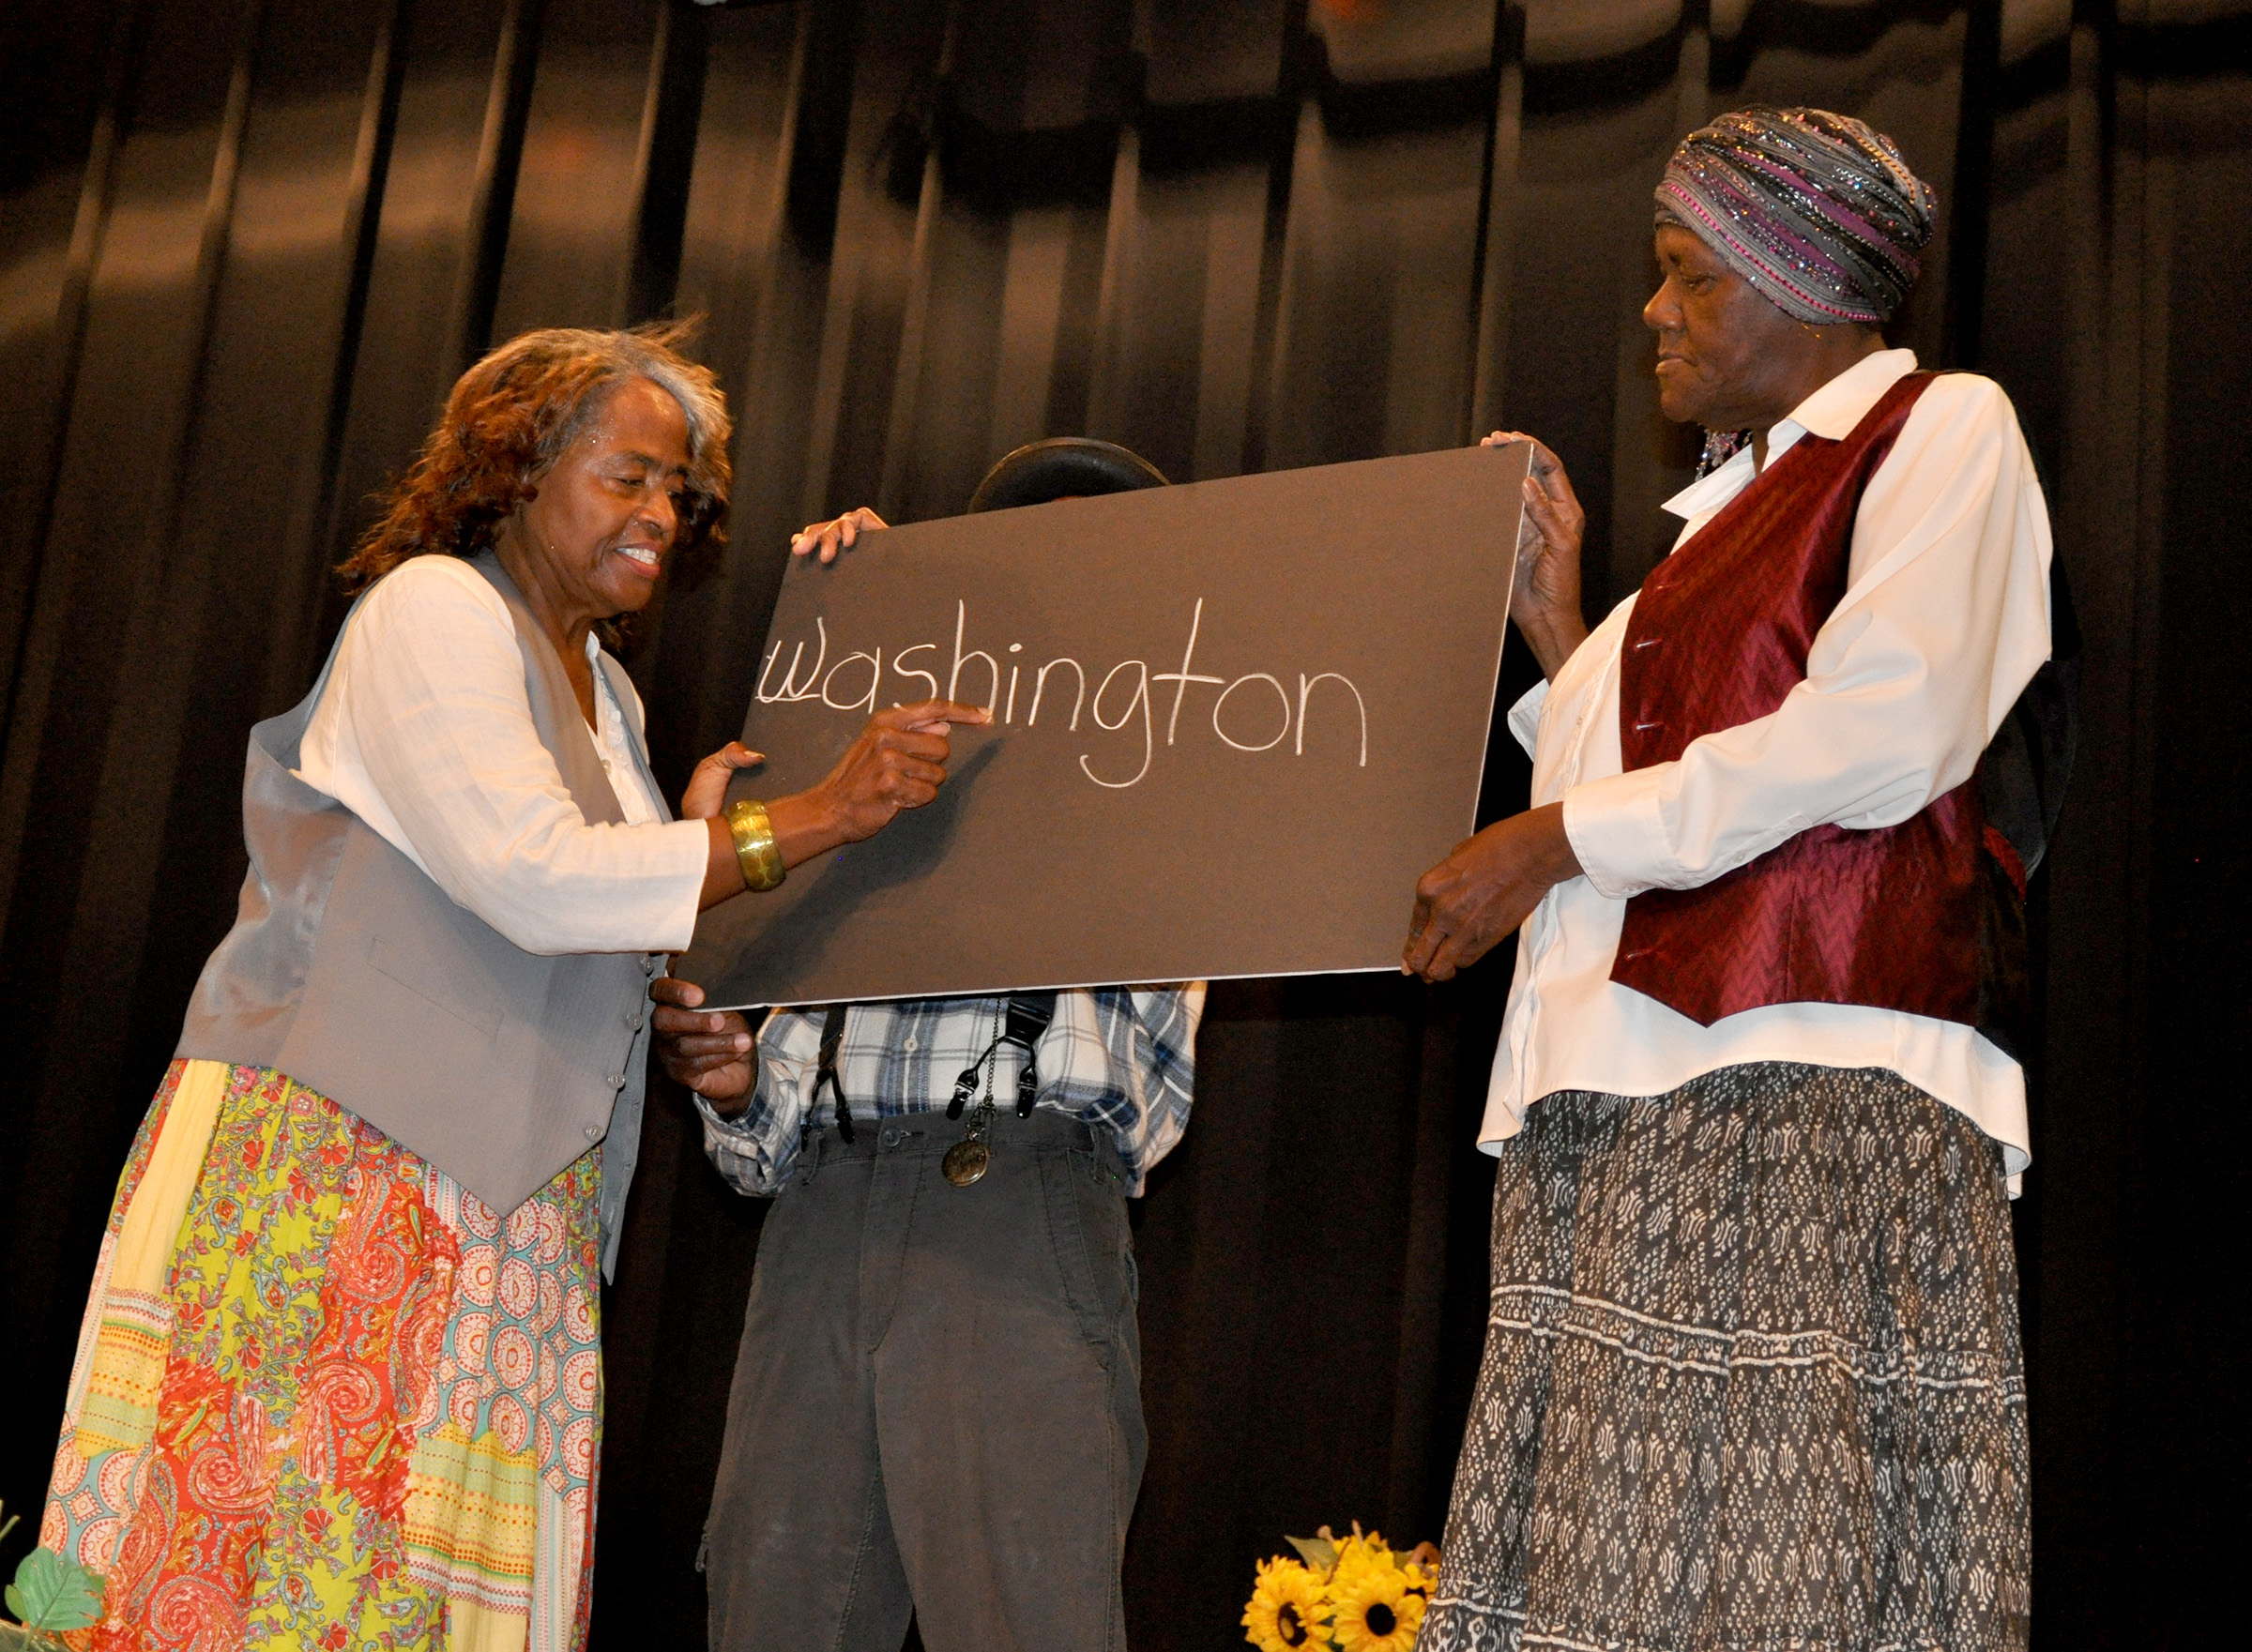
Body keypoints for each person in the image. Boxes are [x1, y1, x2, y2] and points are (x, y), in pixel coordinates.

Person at [34, 322, 985, 1651]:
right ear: (519, 466)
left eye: (682, 493)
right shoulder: (432, 610)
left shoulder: (611, 698)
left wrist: (884, 599)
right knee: (266, 1579)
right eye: (631, 475)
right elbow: (535, 877)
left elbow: (615, 911)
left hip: (511, 1217)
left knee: (428, 1607)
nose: (663, 513)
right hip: (341, 1168)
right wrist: (815, 816)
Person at [1404, 110, 2047, 1650]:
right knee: (1610, 1589)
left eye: (1690, 278)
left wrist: (1545, 838)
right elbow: (1659, 779)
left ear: (1806, 287)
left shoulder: (1939, 430)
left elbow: (1886, 728)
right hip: (1626, 1100)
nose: (1653, 313)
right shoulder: (1709, 534)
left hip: (1793, 1089)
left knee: (1751, 1581)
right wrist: (1566, 630)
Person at [652, 437, 1200, 1652]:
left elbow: (1149, 1097)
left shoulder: (1167, 765)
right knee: (774, 1604)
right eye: (1024, 547)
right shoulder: (873, 751)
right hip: (820, 1220)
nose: (1059, 573)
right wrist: (858, 609)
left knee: (1028, 1613)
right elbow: (761, 1125)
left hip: (1016, 1205)